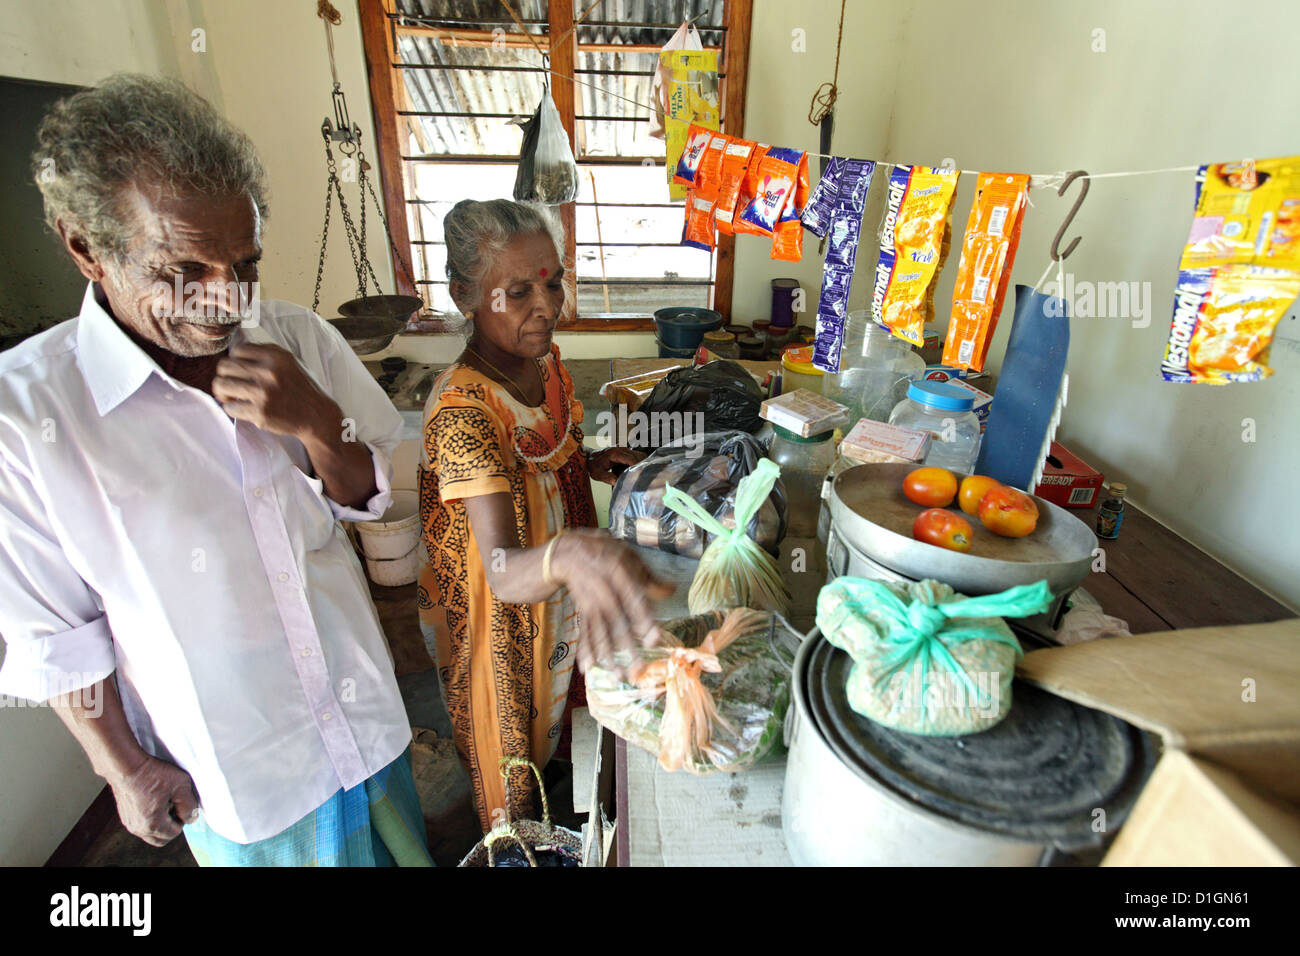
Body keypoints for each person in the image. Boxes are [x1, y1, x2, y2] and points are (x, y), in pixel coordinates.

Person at [0, 74, 431, 866]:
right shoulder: (27, 416)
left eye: (244, 261)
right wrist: (123, 768)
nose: (225, 298)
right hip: (238, 772)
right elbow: (55, 637)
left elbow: (372, 497)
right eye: (182, 271)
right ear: (86, 248)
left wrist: (314, 422)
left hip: (362, 717)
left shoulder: (297, 340)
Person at [418, 199, 671, 831]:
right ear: (464, 295)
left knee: (567, 727)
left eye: (553, 281)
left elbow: (549, 450)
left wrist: (595, 461)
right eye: (517, 291)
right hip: (506, 624)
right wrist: (570, 553)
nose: (546, 305)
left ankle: (569, 808)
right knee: (514, 766)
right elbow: (501, 569)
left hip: (558, 594)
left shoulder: (542, 364)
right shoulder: (464, 411)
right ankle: (521, 842)